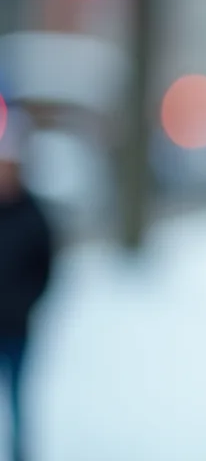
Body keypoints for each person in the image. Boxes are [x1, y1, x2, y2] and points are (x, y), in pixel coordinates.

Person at [0, 104, 53, 461]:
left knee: (18, 397)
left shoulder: (34, 214)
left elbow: (46, 268)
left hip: (18, 326)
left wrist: (25, 302)